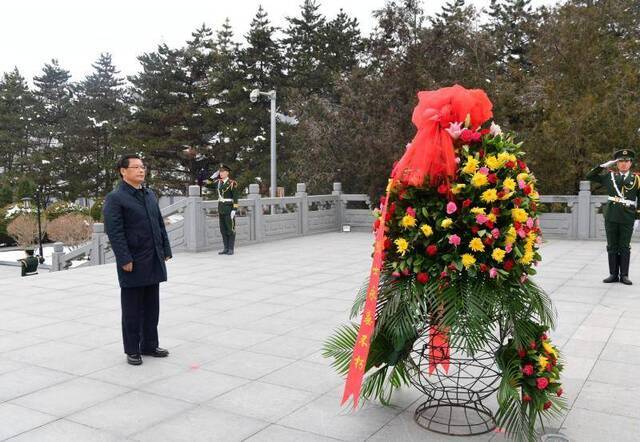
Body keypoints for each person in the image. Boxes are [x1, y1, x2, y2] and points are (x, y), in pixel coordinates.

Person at [103, 154, 172, 365]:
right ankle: (132, 349)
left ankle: (149, 345)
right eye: (135, 167)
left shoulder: (149, 194)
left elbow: (159, 224)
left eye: (143, 167)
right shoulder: (115, 198)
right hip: (133, 260)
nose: (141, 171)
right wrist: (124, 258)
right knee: (132, 308)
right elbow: (115, 232)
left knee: (152, 306)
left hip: (153, 257)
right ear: (123, 171)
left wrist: (166, 249)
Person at [586, 149, 640, 285]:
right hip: (611, 216)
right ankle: (613, 274)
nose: (623, 164)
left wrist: (638, 218)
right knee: (612, 245)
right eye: (620, 161)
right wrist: (604, 166)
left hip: (628, 216)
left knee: (624, 246)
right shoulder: (609, 177)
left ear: (630, 163)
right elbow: (590, 176)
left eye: (626, 161)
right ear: (616, 163)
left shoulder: (637, 179)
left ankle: (624, 275)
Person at [205, 164, 239, 255]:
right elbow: (207, 185)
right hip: (221, 208)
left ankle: (231, 249)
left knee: (230, 229)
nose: (221, 173)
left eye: (223, 171)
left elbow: (235, 197)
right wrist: (212, 177)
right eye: (220, 172)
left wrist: (234, 209)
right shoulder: (218, 182)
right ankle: (225, 248)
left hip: (229, 208)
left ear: (227, 173)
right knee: (223, 229)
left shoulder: (232, 183)